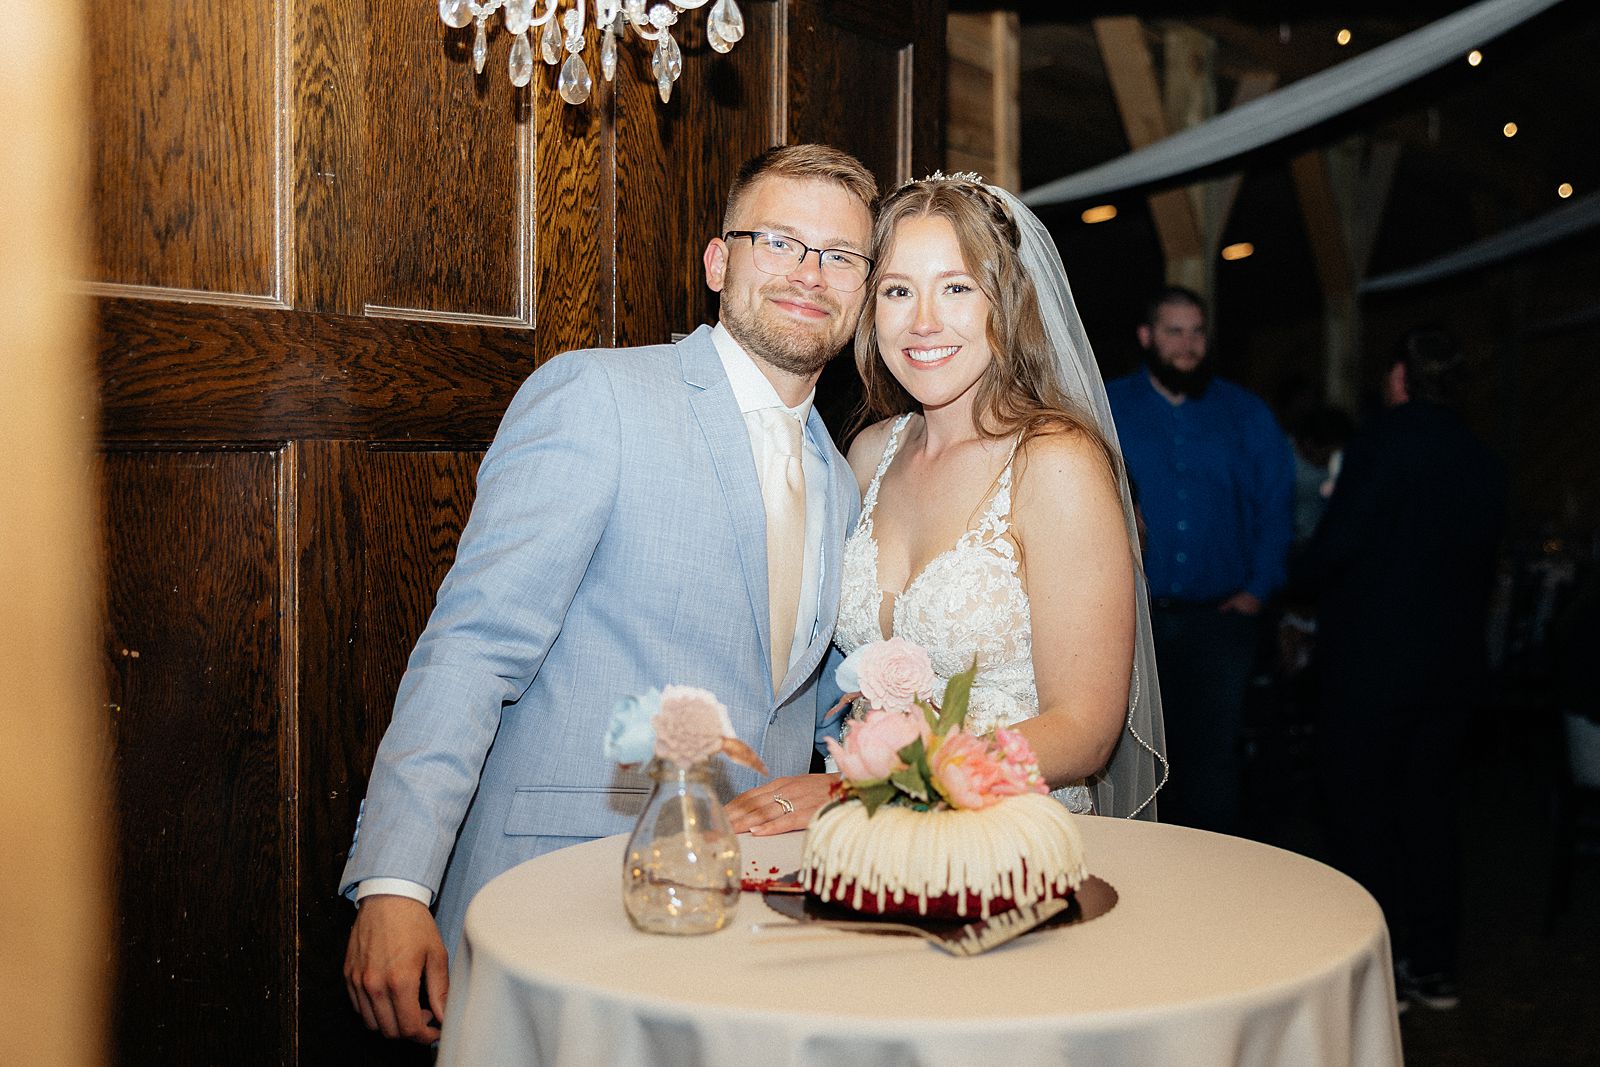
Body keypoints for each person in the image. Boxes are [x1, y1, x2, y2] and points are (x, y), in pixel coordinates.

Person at [339, 144, 877, 1044]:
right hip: (562, 889)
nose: (809, 273)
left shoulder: (842, 475)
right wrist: (397, 882)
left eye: (841, 256)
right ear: (719, 262)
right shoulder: (600, 396)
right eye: (780, 240)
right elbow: (474, 644)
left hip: (746, 917)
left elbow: (801, 698)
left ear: (861, 290)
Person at [738, 172, 1166, 819]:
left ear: (1007, 302)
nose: (924, 321)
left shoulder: (1055, 463)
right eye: (898, 291)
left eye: (957, 288)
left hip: (1012, 835)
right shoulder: (867, 453)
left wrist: (866, 788)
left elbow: (1084, 729)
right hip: (871, 837)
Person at [1294, 326, 1505, 1011]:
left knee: (1363, 815)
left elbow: (1336, 551)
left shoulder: (1380, 445)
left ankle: (1374, 971)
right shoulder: (1481, 455)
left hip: (1372, 667)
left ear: (1399, 378)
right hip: (1452, 669)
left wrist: (1294, 570)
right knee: (1433, 813)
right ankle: (1435, 966)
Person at [1105, 287, 1294, 834]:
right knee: (1133, 759)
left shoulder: (1246, 413)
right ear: (1147, 337)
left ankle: (1214, 895)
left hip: (1221, 623)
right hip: (1132, 622)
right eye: (1173, 331)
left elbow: (1276, 508)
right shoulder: (1109, 405)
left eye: (1197, 332)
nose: (1188, 345)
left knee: (1213, 761)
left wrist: (1259, 589)